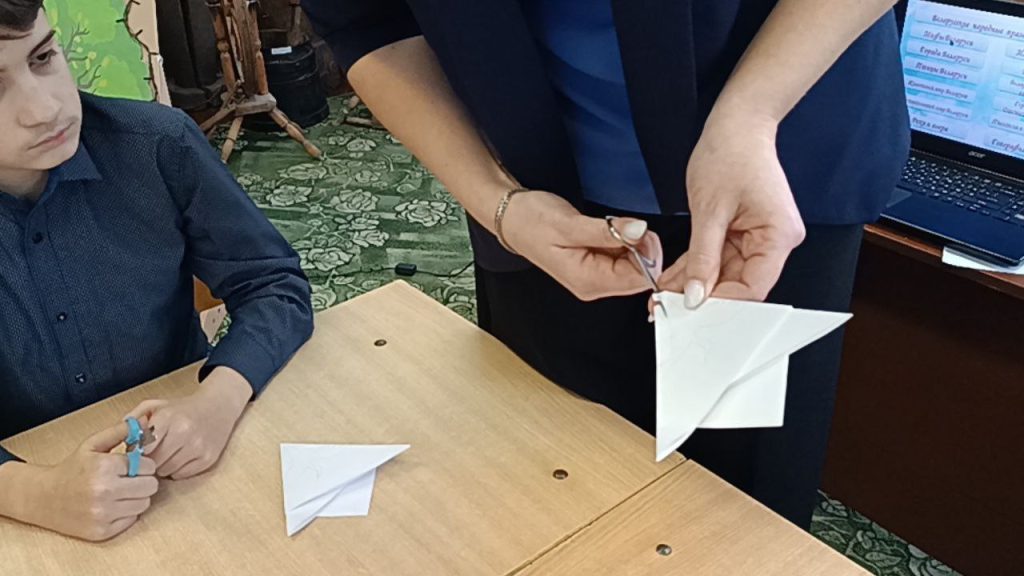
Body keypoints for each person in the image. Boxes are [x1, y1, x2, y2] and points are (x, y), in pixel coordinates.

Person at [303, 0, 910, 528]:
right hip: (531, 191)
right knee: (553, 479)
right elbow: (368, 20)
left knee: (746, 507)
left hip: (771, 169)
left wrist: (752, 113)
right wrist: (498, 203)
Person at [0, 1, 313, 541]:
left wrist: (218, 400)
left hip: (191, 464)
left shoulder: (157, 145)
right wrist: (31, 491)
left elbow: (273, 283)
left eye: (44, 57)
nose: (45, 109)